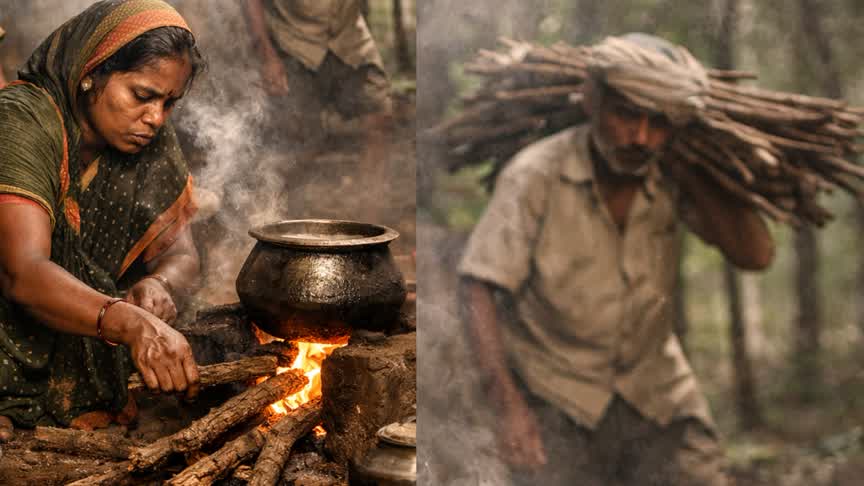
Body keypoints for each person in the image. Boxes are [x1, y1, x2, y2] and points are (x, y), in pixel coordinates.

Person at [458, 34, 775, 486]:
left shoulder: (673, 175)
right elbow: (479, 286)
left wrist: (696, 171)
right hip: (558, 392)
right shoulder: (536, 175)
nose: (641, 137)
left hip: (656, 391)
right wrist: (508, 407)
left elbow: (756, 255)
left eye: (658, 122)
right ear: (591, 99)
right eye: (627, 114)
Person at [0, 0, 205, 440]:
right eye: (142, 95)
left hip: (85, 330)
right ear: (91, 71)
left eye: (170, 102)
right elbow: (24, 272)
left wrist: (161, 283)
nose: (155, 118)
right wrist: (132, 323)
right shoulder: (22, 119)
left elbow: (184, 255)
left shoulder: (150, 138)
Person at [244, 0, 393, 146]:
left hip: (349, 38)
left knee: (377, 112)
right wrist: (267, 56)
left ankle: (372, 171)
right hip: (293, 42)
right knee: (298, 136)